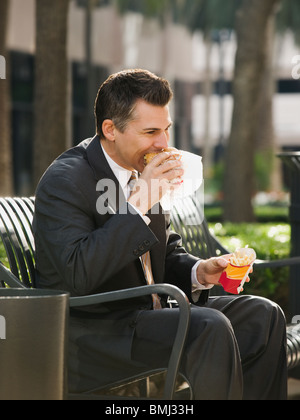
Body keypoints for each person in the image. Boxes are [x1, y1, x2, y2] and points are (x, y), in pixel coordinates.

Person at [33, 69, 287, 400]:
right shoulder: (66, 181)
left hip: (147, 319)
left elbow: (164, 253)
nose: (164, 144)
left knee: (264, 316)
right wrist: (139, 202)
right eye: (150, 131)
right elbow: (79, 274)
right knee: (208, 328)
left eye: (166, 130)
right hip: (95, 334)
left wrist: (200, 271)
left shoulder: (141, 171)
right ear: (110, 129)